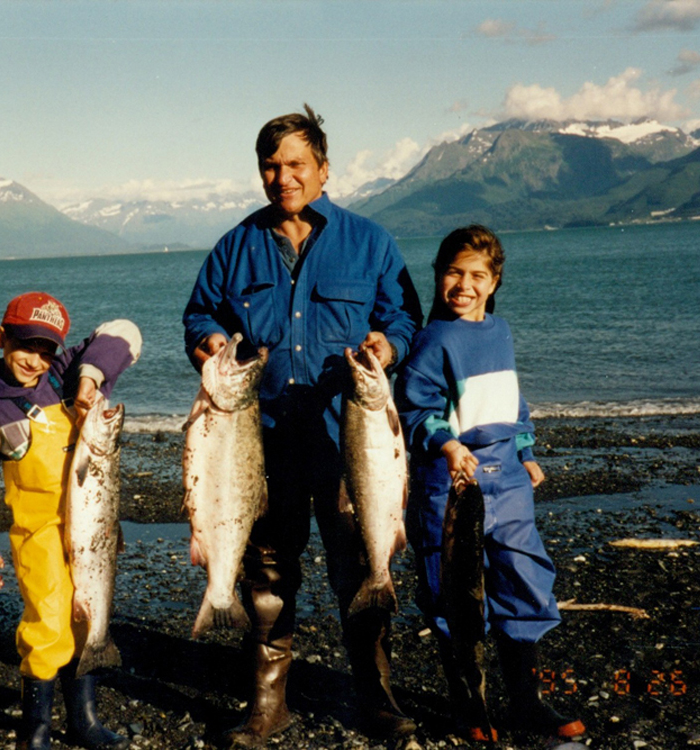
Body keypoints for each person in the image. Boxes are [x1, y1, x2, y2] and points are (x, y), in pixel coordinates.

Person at [182, 105, 423, 746]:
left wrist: (388, 347)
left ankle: (376, 700)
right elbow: (200, 314)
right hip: (258, 444)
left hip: (350, 442)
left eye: (295, 164)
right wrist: (208, 343)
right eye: (270, 165)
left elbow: (403, 318)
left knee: (361, 565)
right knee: (266, 573)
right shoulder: (235, 246)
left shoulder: (370, 242)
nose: (281, 176)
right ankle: (267, 705)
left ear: (323, 169)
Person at [394, 225, 585, 741]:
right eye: (453, 272)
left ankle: (527, 702)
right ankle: (469, 705)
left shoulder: (499, 332)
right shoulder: (430, 340)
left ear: (495, 281)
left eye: (477, 275)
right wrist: (449, 445)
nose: (464, 284)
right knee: (453, 590)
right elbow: (416, 408)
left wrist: (525, 451)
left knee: (523, 579)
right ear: (437, 276)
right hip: (450, 482)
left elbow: (511, 401)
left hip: (509, 481)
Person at [0, 292, 141, 750]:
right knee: (48, 622)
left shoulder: (63, 376)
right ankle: (34, 729)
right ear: (1, 337)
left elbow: (126, 331)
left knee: (87, 616)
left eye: (46, 349)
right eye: (24, 345)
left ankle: (84, 719)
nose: (35, 360)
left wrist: (90, 377)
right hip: (38, 533)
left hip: (93, 529)